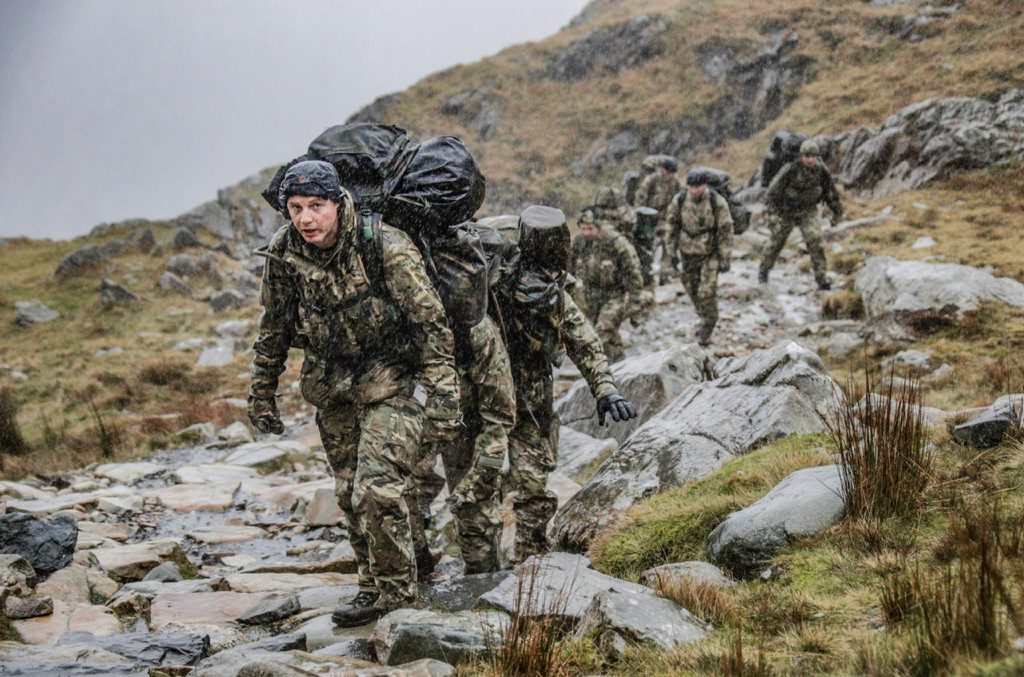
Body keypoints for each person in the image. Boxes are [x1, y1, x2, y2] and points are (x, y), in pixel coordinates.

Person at [246, 160, 461, 627]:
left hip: (393, 382)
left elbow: (432, 327)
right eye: (296, 208)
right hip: (334, 389)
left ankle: (398, 600)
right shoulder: (285, 253)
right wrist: (261, 393)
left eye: (316, 207)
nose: (305, 219)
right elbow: (275, 327)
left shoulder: (384, 245)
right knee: (348, 492)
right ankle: (377, 581)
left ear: (338, 203)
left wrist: (445, 399)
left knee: (376, 489)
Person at [493, 205, 638, 561]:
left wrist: (605, 387)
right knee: (479, 490)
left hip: (532, 397)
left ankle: (530, 564)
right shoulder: (489, 282)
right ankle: (480, 571)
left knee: (533, 485)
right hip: (485, 397)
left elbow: (582, 339)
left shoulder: (554, 293)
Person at [409, 313, 515, 576]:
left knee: (474, 510)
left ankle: (483, 585)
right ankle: (415, 571)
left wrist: (479, 478)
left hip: (469, 423)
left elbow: (498, 421)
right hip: (416, 417)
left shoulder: (476, 329)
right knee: (390, 496)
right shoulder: (404, 320)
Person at [758, 139, 844, 290]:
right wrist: (770, 215)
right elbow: (772, 193)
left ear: (817, 157)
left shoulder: (822, 171)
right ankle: (763, 271)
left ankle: (821, 277)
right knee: (777, 241)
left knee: (815, 240)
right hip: (786, 211)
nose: (810, 159)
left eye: (813, 156)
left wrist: (837, 212)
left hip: (808, 210)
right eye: (807, 156)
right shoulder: (790, 169)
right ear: (801, 156)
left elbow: (831, 194)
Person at [665, 168, 734, 346]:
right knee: (692, 289)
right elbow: (671, 227)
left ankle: (708, 326)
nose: (696, 191)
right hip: (687, 253)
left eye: (699, 187)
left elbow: (726, 230)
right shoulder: (679, 200)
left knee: (707, 292)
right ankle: (705, 315)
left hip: (709, 252)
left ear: (705, 185)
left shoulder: (716, 201)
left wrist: (725, 257)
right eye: (692, 187)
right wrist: (671, 253)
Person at [570, 208, 645, 363]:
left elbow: (634, 272)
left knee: (602, 333)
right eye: (583, 229)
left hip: (615, 295)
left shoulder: (615, 242)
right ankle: (620, 365)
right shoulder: (579, 242)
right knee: (608, 338)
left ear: (598, 226)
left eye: (590, 229)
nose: (587, 232)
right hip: (590, 297)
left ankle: (602, 370)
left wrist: (635, 302)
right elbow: (568, 268)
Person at [636, 156, 683, 278]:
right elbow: (640, 200)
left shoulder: (676, 182)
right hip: (651, 220)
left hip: (668, 219)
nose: (670, 175)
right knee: (649, 247)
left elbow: (681, 200)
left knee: (669, 246)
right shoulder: (651, 180)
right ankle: (645, 272)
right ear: (663, 170)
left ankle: (665, 274)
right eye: (668, 172)